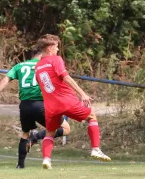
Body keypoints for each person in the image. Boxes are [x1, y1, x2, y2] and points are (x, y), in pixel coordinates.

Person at [34, 34, 111, 169]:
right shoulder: (55, 59)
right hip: (65, 101)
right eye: (57, 47)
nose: (58, 50)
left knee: (50, 133)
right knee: (92, 116)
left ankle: (46, 159)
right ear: (51, 48)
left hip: (50, 106)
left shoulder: (38, 65)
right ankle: (95, 149)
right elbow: (66, 77)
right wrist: (82, 94)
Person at [0, 50, 70, 168]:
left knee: (25, 133)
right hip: (40, 104)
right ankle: (37, 137)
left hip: (24, 105)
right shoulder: (44, 66)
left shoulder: (19, 66)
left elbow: (5, 80)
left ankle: (20, 165)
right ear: (41, 55)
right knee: (65, 128)